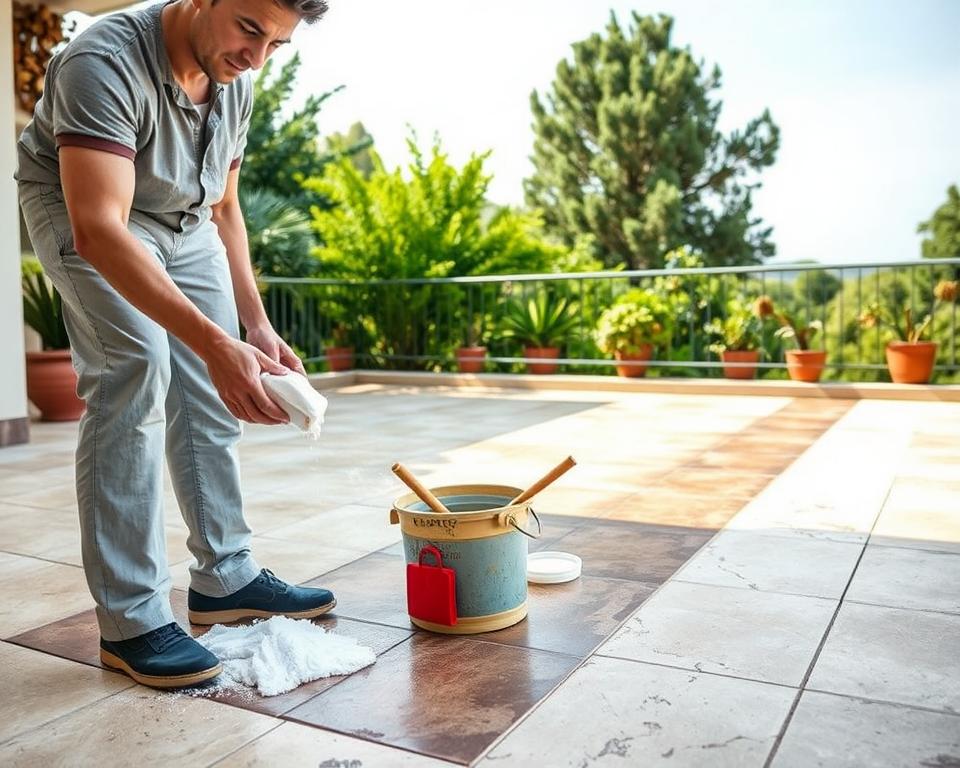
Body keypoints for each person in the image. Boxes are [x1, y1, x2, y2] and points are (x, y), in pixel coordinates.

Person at [16, 0, 335, 689]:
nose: (256, 58)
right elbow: (100, 229)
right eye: (249, 29)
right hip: (93, 211)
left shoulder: (237, 79)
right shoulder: (104, 61)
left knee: (214, 383)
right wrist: (214, 344)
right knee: (134, 369)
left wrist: (253, 326)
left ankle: (226, 577)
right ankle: (131, 620)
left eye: (277, 44)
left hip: (185, 224)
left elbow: (224, 208)